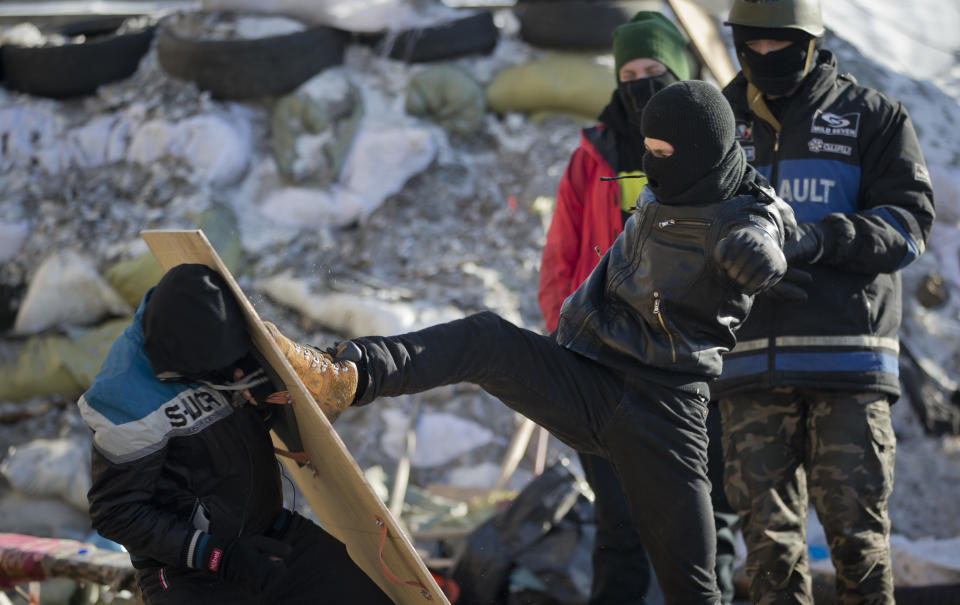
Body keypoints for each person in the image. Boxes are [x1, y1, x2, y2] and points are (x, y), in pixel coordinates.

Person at [267, 81, 796, 605]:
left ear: (701, 155)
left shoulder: (742, 216)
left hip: (663, 413)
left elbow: (771, 230)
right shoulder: (682, 179)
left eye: (662, 154)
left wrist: (760, 252)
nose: (650, 166)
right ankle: (346, 376)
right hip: (589, 377)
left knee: (692, 585)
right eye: (647, 151)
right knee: (486, 339)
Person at [713, 1, 936, 603]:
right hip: (747, 364)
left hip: (847, 364)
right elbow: (680, 226)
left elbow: (910, 225)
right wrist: (724, 256)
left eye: (778, 45)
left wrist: (820, 239)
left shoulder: (872, 117)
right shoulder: (715, 123)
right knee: (768, 553)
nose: (764, 57)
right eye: (751, 45)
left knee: (858, 541)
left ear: (810, 42)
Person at [537, 11, 736, 604]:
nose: (643, 82)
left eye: (655, 69)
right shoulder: (591, 156)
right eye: (630, 72)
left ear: (680, 72)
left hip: (694, 373)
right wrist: (568, 341)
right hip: (605, 373)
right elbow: (557, 265)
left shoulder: (719, 152)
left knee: (710, 526)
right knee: (618, 530)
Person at [78, 264, 392, 605]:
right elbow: (116, 514)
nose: (237, 371)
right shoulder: (124, 400)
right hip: (190, 568)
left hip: (268, 536)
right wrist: (219, 555)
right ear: (181, 364)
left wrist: (268, 398)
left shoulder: (211, 327)